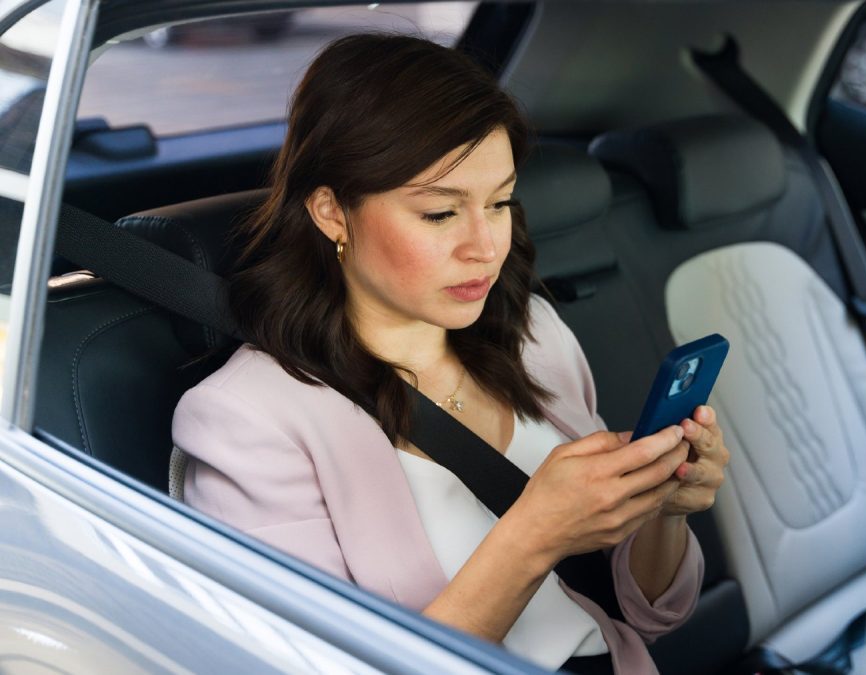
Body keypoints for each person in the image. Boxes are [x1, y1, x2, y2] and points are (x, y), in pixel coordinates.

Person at [172, 33, 730, 674]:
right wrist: (535, 534)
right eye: (440, 214)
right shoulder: (248, 421)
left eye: (499, 204)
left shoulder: (535, 336)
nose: (485, 246)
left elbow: (652, 615)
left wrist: (662, 510)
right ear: (331, 212)